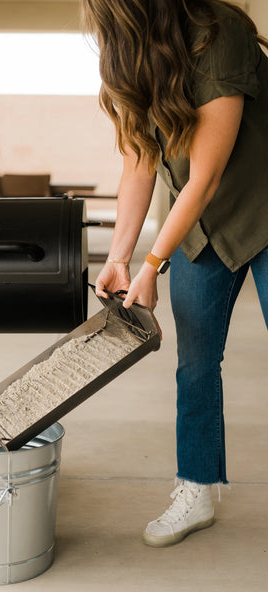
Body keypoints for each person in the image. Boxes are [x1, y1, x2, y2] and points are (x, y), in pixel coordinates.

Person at [81, 0, 268, 547]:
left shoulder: (220, 33)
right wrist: (119, 257)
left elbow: (205, 174)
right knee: (196, 362)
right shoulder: (131, 54)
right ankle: (197, 488)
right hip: (202, 225)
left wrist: (153, 262)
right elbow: (139, 161)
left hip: (261, 207)